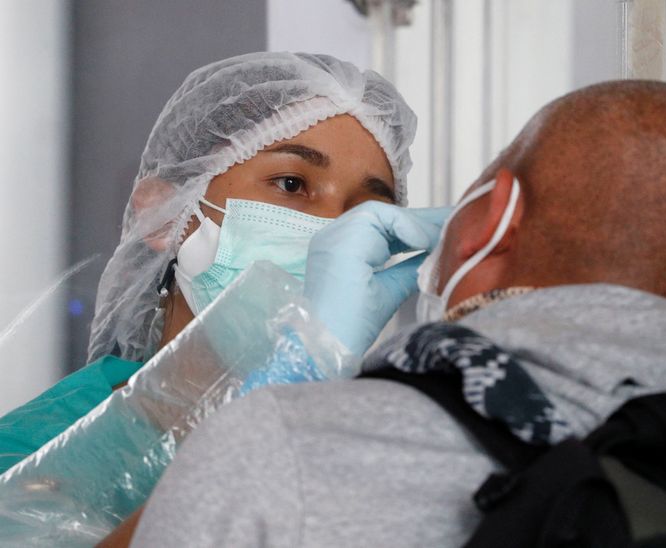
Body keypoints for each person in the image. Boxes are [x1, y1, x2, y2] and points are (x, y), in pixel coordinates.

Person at [127, 80, 666, 547]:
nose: (333, 226)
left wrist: (296, 378)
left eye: (372, 204)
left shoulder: (284, 447)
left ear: (487, 218)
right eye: (293, 185)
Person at [0, 51, 444, 475]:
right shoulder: (35, 448)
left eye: (365, 212)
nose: (336, 232)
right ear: (164, 215)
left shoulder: (385, 451)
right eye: (291, 183)